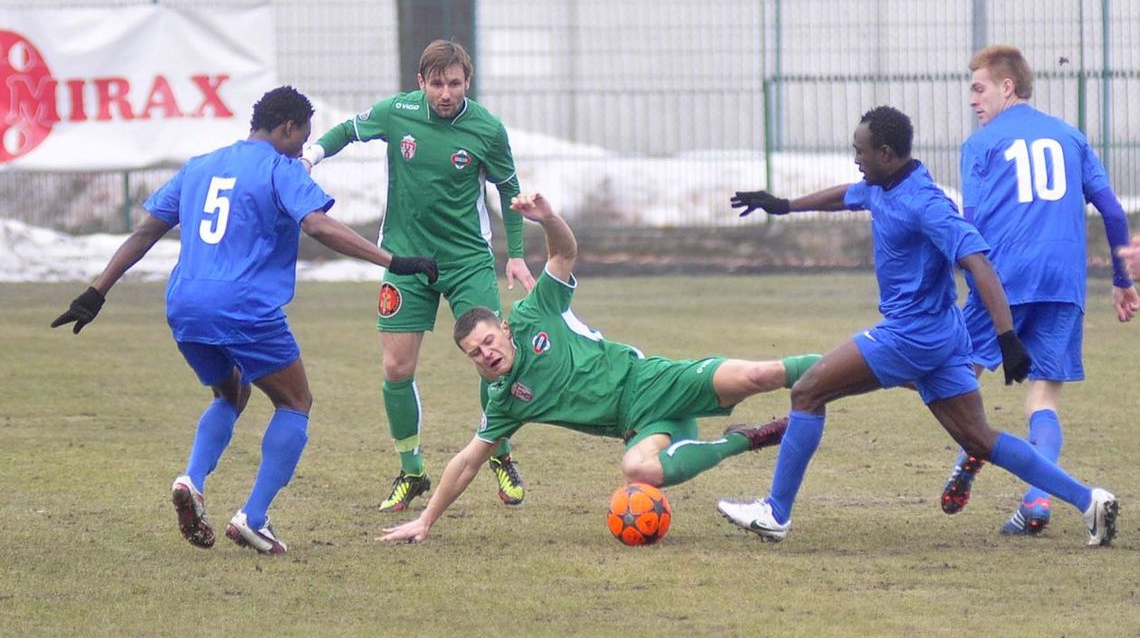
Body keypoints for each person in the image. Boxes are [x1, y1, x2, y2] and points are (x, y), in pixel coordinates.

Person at [50, 86, 439, 555]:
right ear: (288, 128)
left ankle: (191, 479)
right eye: (301, 139)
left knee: (231, 392)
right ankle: (253, 518)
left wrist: (96, 292)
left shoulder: (201, 165)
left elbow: (146, 230)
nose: (301, 151)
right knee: (296, 402)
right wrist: (393, 261)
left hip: (185, 304)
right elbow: (317, 225)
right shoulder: (279, 168)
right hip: (243, 305)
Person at [718, 105, 1119, 547]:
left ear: (886, 153)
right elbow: (845, 195)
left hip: (912, 334)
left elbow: (979, 264)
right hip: (943, 337)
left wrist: (1007, 338)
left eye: (861, 151)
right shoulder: (881, 185)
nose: (856, 159)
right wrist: (783, 205)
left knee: (808, 391)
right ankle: (1090, 500)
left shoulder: (926, 204)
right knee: (979, 438)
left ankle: (775, 513)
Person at [379, 192, 820, 543]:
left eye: (489, 341)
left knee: (759, 376)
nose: (486, 353)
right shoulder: (505, 402)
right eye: (475, 353)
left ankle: (850, 367)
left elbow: (565, 254)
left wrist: (549, 219)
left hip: (654, 382)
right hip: (641, 425)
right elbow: (467, 463)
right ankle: (743, 441)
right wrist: (427, 521)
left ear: (506, 330)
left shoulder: (536, 312)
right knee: (637, 470)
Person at [301, 40, 535, 512]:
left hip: (468, 260)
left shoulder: (487, 128)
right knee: (396, 368)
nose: (445, 93)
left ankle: (500, 455)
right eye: (436, 84)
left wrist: (516, 254)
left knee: (492, 359)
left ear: (467, 83)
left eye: (454, 83)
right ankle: (412, 471)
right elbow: (348, 129)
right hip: (405, 261)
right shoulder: (398, 113)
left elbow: (509, 187)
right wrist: (310, 157)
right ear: (420, 82)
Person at [939, 45, 1138, 536]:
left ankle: (973, 449)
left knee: (954, 378)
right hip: (1063, 280)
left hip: (1002, 281)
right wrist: (1122, 280)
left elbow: (970, 221)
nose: (972, 100)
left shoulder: (982, 144)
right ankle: (1036, 501)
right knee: (1043, 397)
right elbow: (1113, 213)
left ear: (1008, 87)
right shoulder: (1070, 136)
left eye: (978, 88)